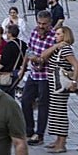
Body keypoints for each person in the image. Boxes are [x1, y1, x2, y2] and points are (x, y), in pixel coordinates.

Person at [39, 25, 78, 153]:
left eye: (58, 34)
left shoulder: (66, 49)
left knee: (60, 112)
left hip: (61, 85)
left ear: (65, 35)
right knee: (55, 111)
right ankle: (58, 140)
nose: (55, 36)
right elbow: (43, 55)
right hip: (54, 84)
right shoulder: (59, 48)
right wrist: (56, 46)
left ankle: (62, 143)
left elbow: (76, 65)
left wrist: (74, 81)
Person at [21, 10, 55, 146]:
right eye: (39, 23)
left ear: (49, 23)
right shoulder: (35, 32)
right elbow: (28, 49)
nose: (41, 26)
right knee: (25, 101)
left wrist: (41, 59)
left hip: (46, 76)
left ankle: (39, 134)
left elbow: (54, 57)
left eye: (44, 24)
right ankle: (29, 129)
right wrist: (24, 66)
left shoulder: (54, 37)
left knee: (43, 104)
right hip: (33, 74)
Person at [0, 24, 26, 97]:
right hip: (18, 72)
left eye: (6, 33)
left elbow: (3, 63)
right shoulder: (23, 44)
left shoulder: (8, 46)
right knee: (12, 95)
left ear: (9, 34)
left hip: (8, 75)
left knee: (4, 96)